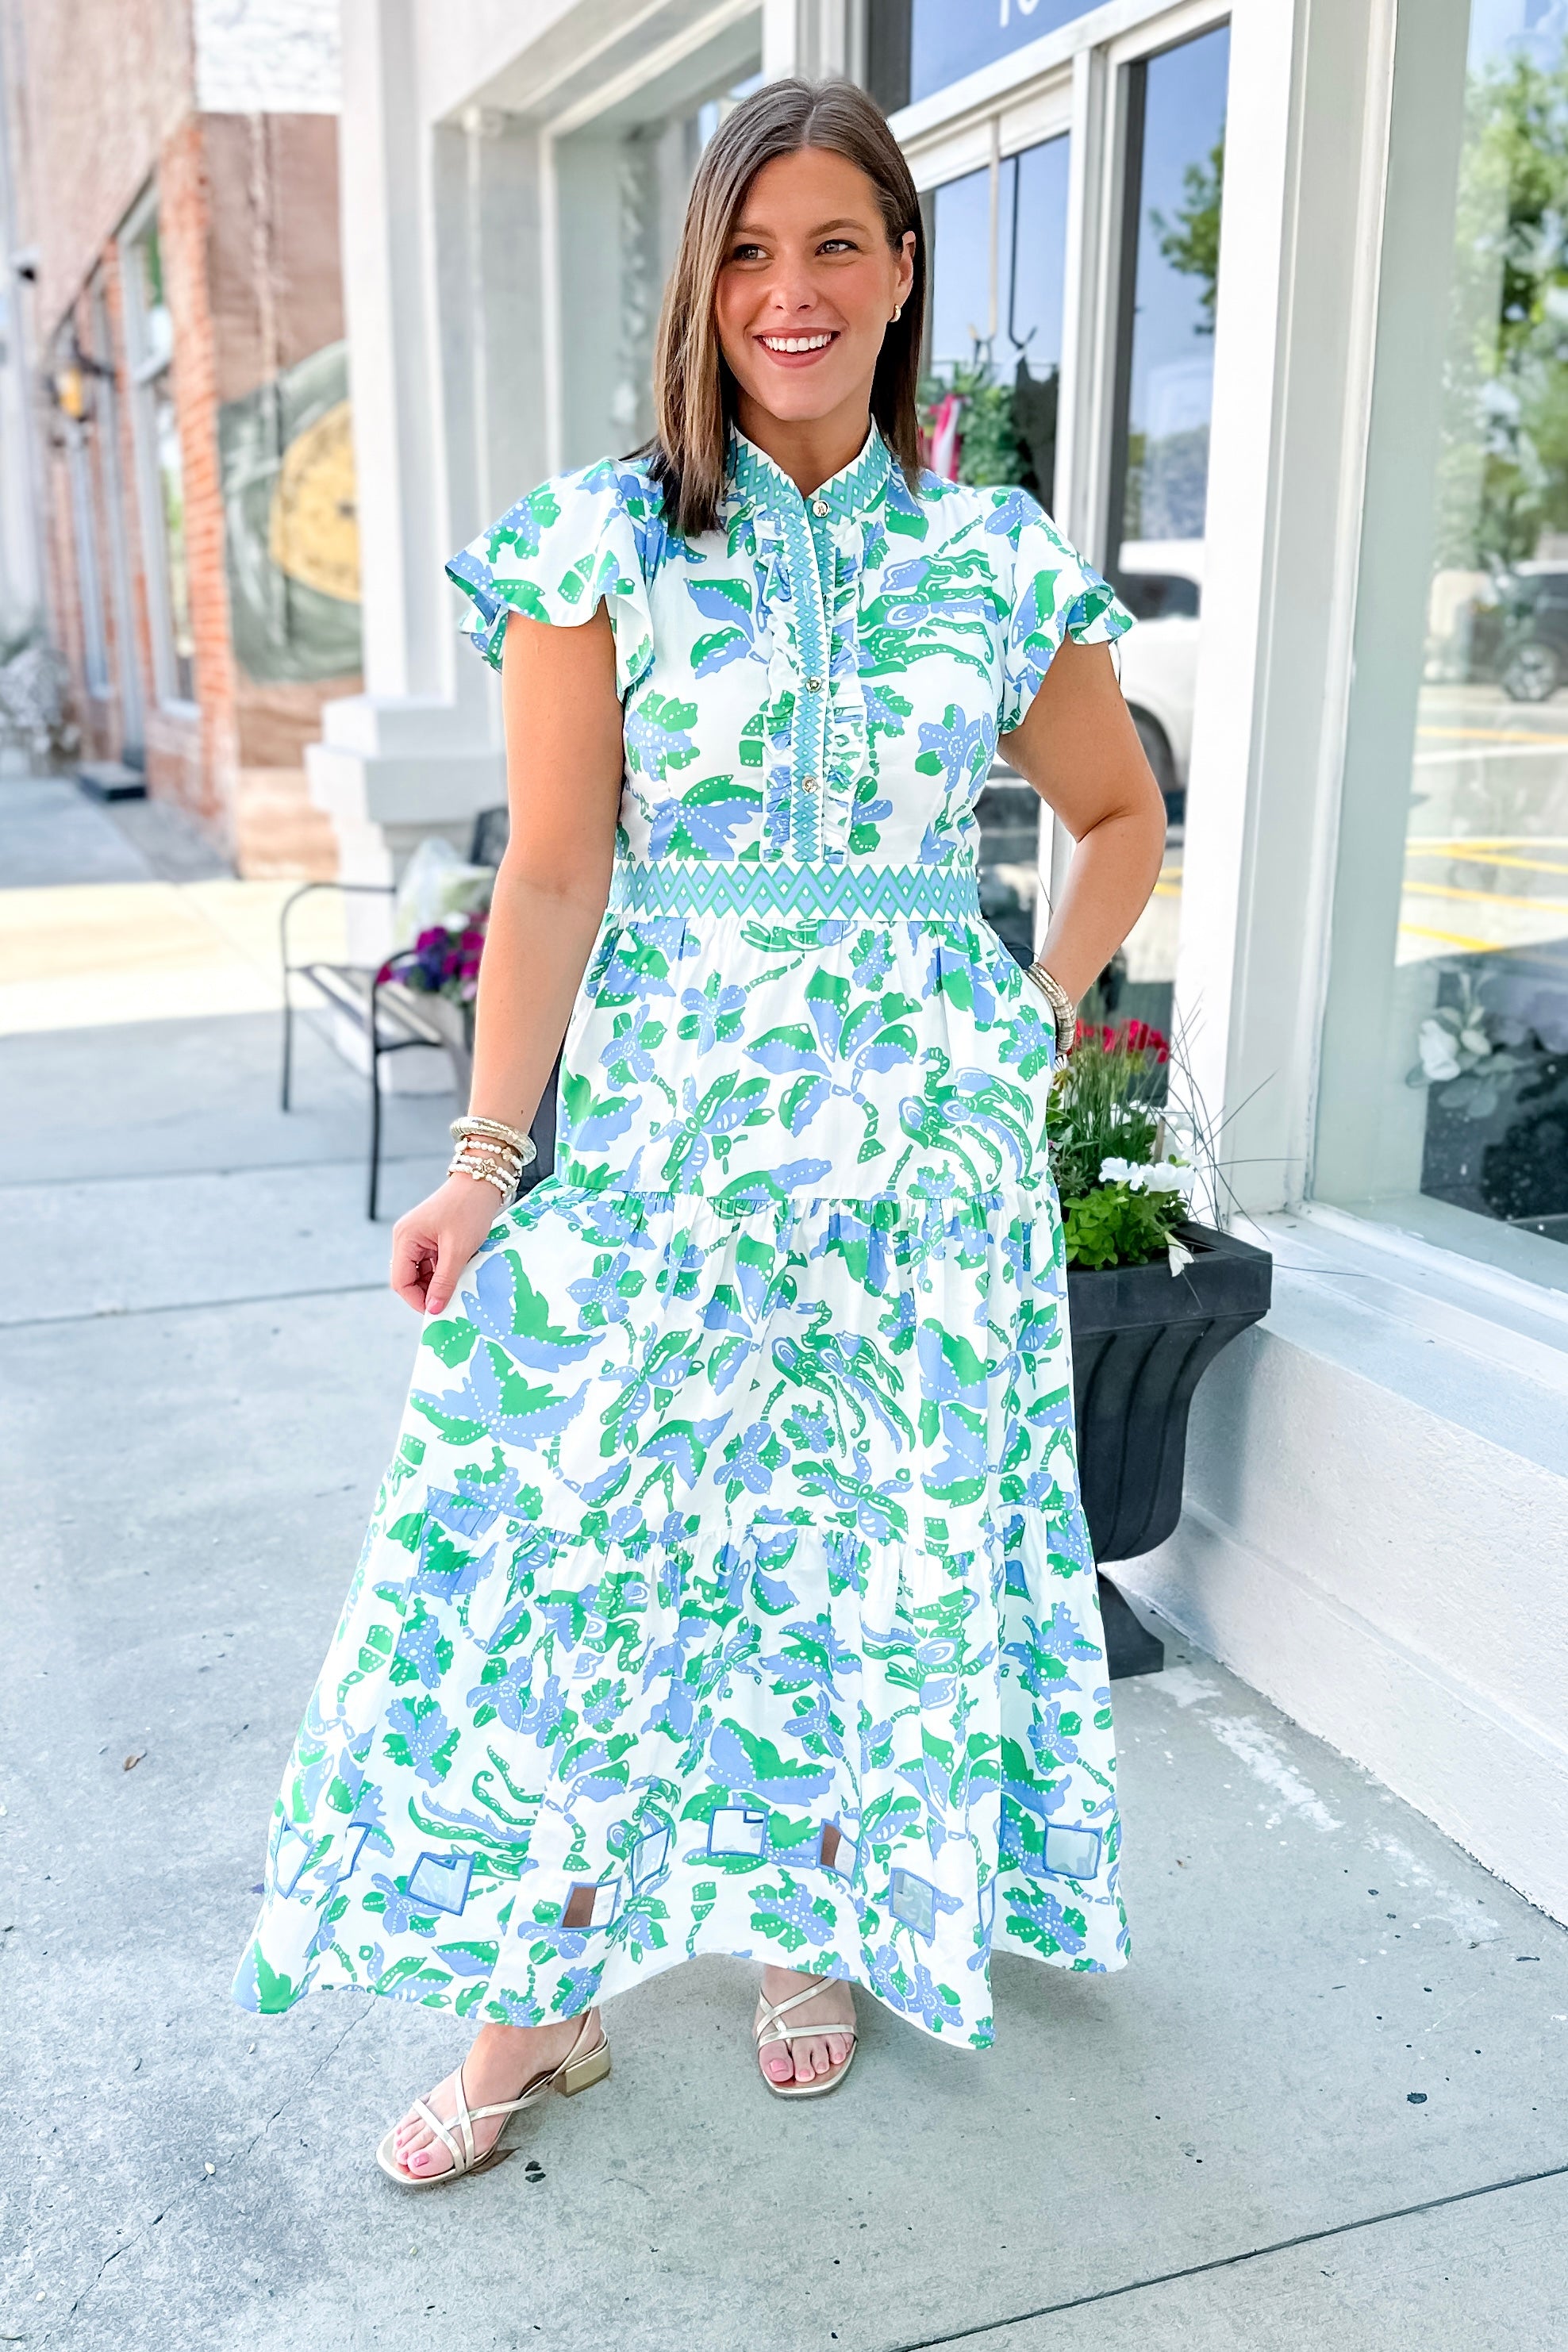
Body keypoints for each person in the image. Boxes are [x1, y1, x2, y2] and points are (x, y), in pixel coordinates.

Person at [233, 75, 1165, 2185]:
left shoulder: (991, 561)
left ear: (904, 270)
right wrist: (487, 1159)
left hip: (920, 1182)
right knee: (593, 1563)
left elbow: (1119, 820)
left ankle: (811, 1929)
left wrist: (1023, 1016)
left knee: (858, 1550)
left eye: (835, 243)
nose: (790, 290)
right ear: (701, 285)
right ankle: (537, 2007)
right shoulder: (608, 544)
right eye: (748, 251)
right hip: (673, 1159)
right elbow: (555, 873)